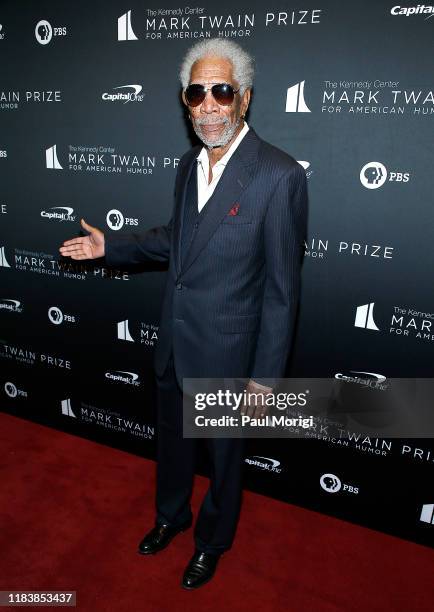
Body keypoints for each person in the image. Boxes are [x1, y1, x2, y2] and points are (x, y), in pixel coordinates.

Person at [59, 38, 308, 590]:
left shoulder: (278, 175)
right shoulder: (187, 164)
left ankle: (212, 542)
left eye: (222, 91)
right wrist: (112, 249)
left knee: (223, 465)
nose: (210, 104)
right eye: (198, 93)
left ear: (244, 98)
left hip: (228, 353)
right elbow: (179, 240)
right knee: (171, 445)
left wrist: (264, 380)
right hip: (175, 342)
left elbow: (283, 291)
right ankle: (171, 516)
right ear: (185, 101)